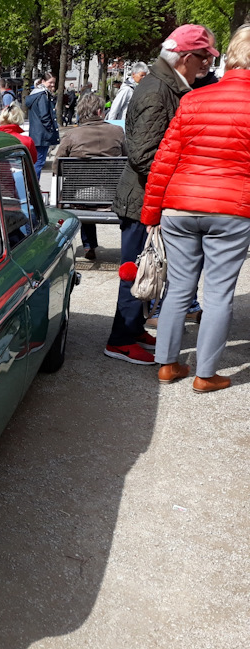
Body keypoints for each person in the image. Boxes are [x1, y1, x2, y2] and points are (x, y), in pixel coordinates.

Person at [139, 24, 250, 392]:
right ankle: (205, 374)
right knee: (218, 293)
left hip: (180, 205)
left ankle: (167, 365)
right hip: (232, 208)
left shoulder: (193, 100)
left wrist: (151, 213)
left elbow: (164, 162)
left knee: (178, 287)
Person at [106, 24, 218, 365]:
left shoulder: (167, 85)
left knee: (145, 267)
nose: (207, 65)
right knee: (137, 270)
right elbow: (142, 156)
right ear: (184, 57)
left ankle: (134, 328)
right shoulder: (158, 92)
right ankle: (120, 340)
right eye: (203, 57)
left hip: (147, 197)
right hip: (142, 199)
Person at [52, 94, 126, 260]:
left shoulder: (72, 135)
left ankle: (88, 245)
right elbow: (128, 160)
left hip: (79, 199)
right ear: (100, 111)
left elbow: (57, 167)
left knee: (82, 188)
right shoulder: (117, 131)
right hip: (112, 196)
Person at [25, 72, 59, 176]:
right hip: (43, 135)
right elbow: (44, 115)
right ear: (43, 81)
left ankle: (33, 186)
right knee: (39, 162)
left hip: (36, 133)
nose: (52, 85)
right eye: (50, 82)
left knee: (36, 162)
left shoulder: (35, 94)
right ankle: (34, 188)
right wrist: (50, 130)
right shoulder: (43, 96)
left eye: (54, 83)